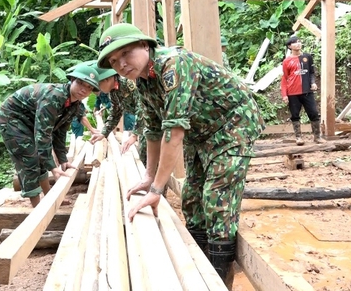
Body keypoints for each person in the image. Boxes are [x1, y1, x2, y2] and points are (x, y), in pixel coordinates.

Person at [96, 23, 265, 288]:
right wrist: (149, 177)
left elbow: (173, 133)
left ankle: (219, 282)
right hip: (201, 132)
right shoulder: (143, 81)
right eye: (114, 61)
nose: (121, 64)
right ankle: (199, 274)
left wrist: (157, 189)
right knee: (191, 201)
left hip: (232, 125)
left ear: (144, 45)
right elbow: (153, 129)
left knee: (216, 200)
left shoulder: (173, 65)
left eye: (126, 53)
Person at [0, 64, 100, 207]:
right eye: (80, 83)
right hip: (11, 119)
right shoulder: (54, 97)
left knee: (40, 157)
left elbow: (60, 133)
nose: (84, 89)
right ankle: (39, 209)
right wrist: (53, 167)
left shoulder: (75, 105)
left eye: (89, 87)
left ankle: (50, 198)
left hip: (29, 121)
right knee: (29, 160)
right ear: (72, 80)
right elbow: (43, 134)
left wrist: (63, 160)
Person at [89, 64, 147, 165]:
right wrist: (104, 133)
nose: (100, 90)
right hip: (145, 121)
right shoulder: (113, 91)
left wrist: (134, 135)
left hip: (153, 118)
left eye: (98, 86)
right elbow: (115, 112)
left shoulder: (126, 82)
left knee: (148, 149)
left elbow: (141, 106)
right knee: (144, 155)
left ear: (106, 79)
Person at [281, 36, 325, 145]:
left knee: (314, 113)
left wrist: (313, 82)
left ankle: (317, 137)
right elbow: (285, 78)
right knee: (295, 115)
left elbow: (311, 72)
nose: (298, 44)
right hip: (292, 93)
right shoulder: (286, 61)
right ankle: (298, 138)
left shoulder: (307, 57)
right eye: (294, 43)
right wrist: (284, 95)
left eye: (299, 41)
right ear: (289, 46)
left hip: (307, 91)